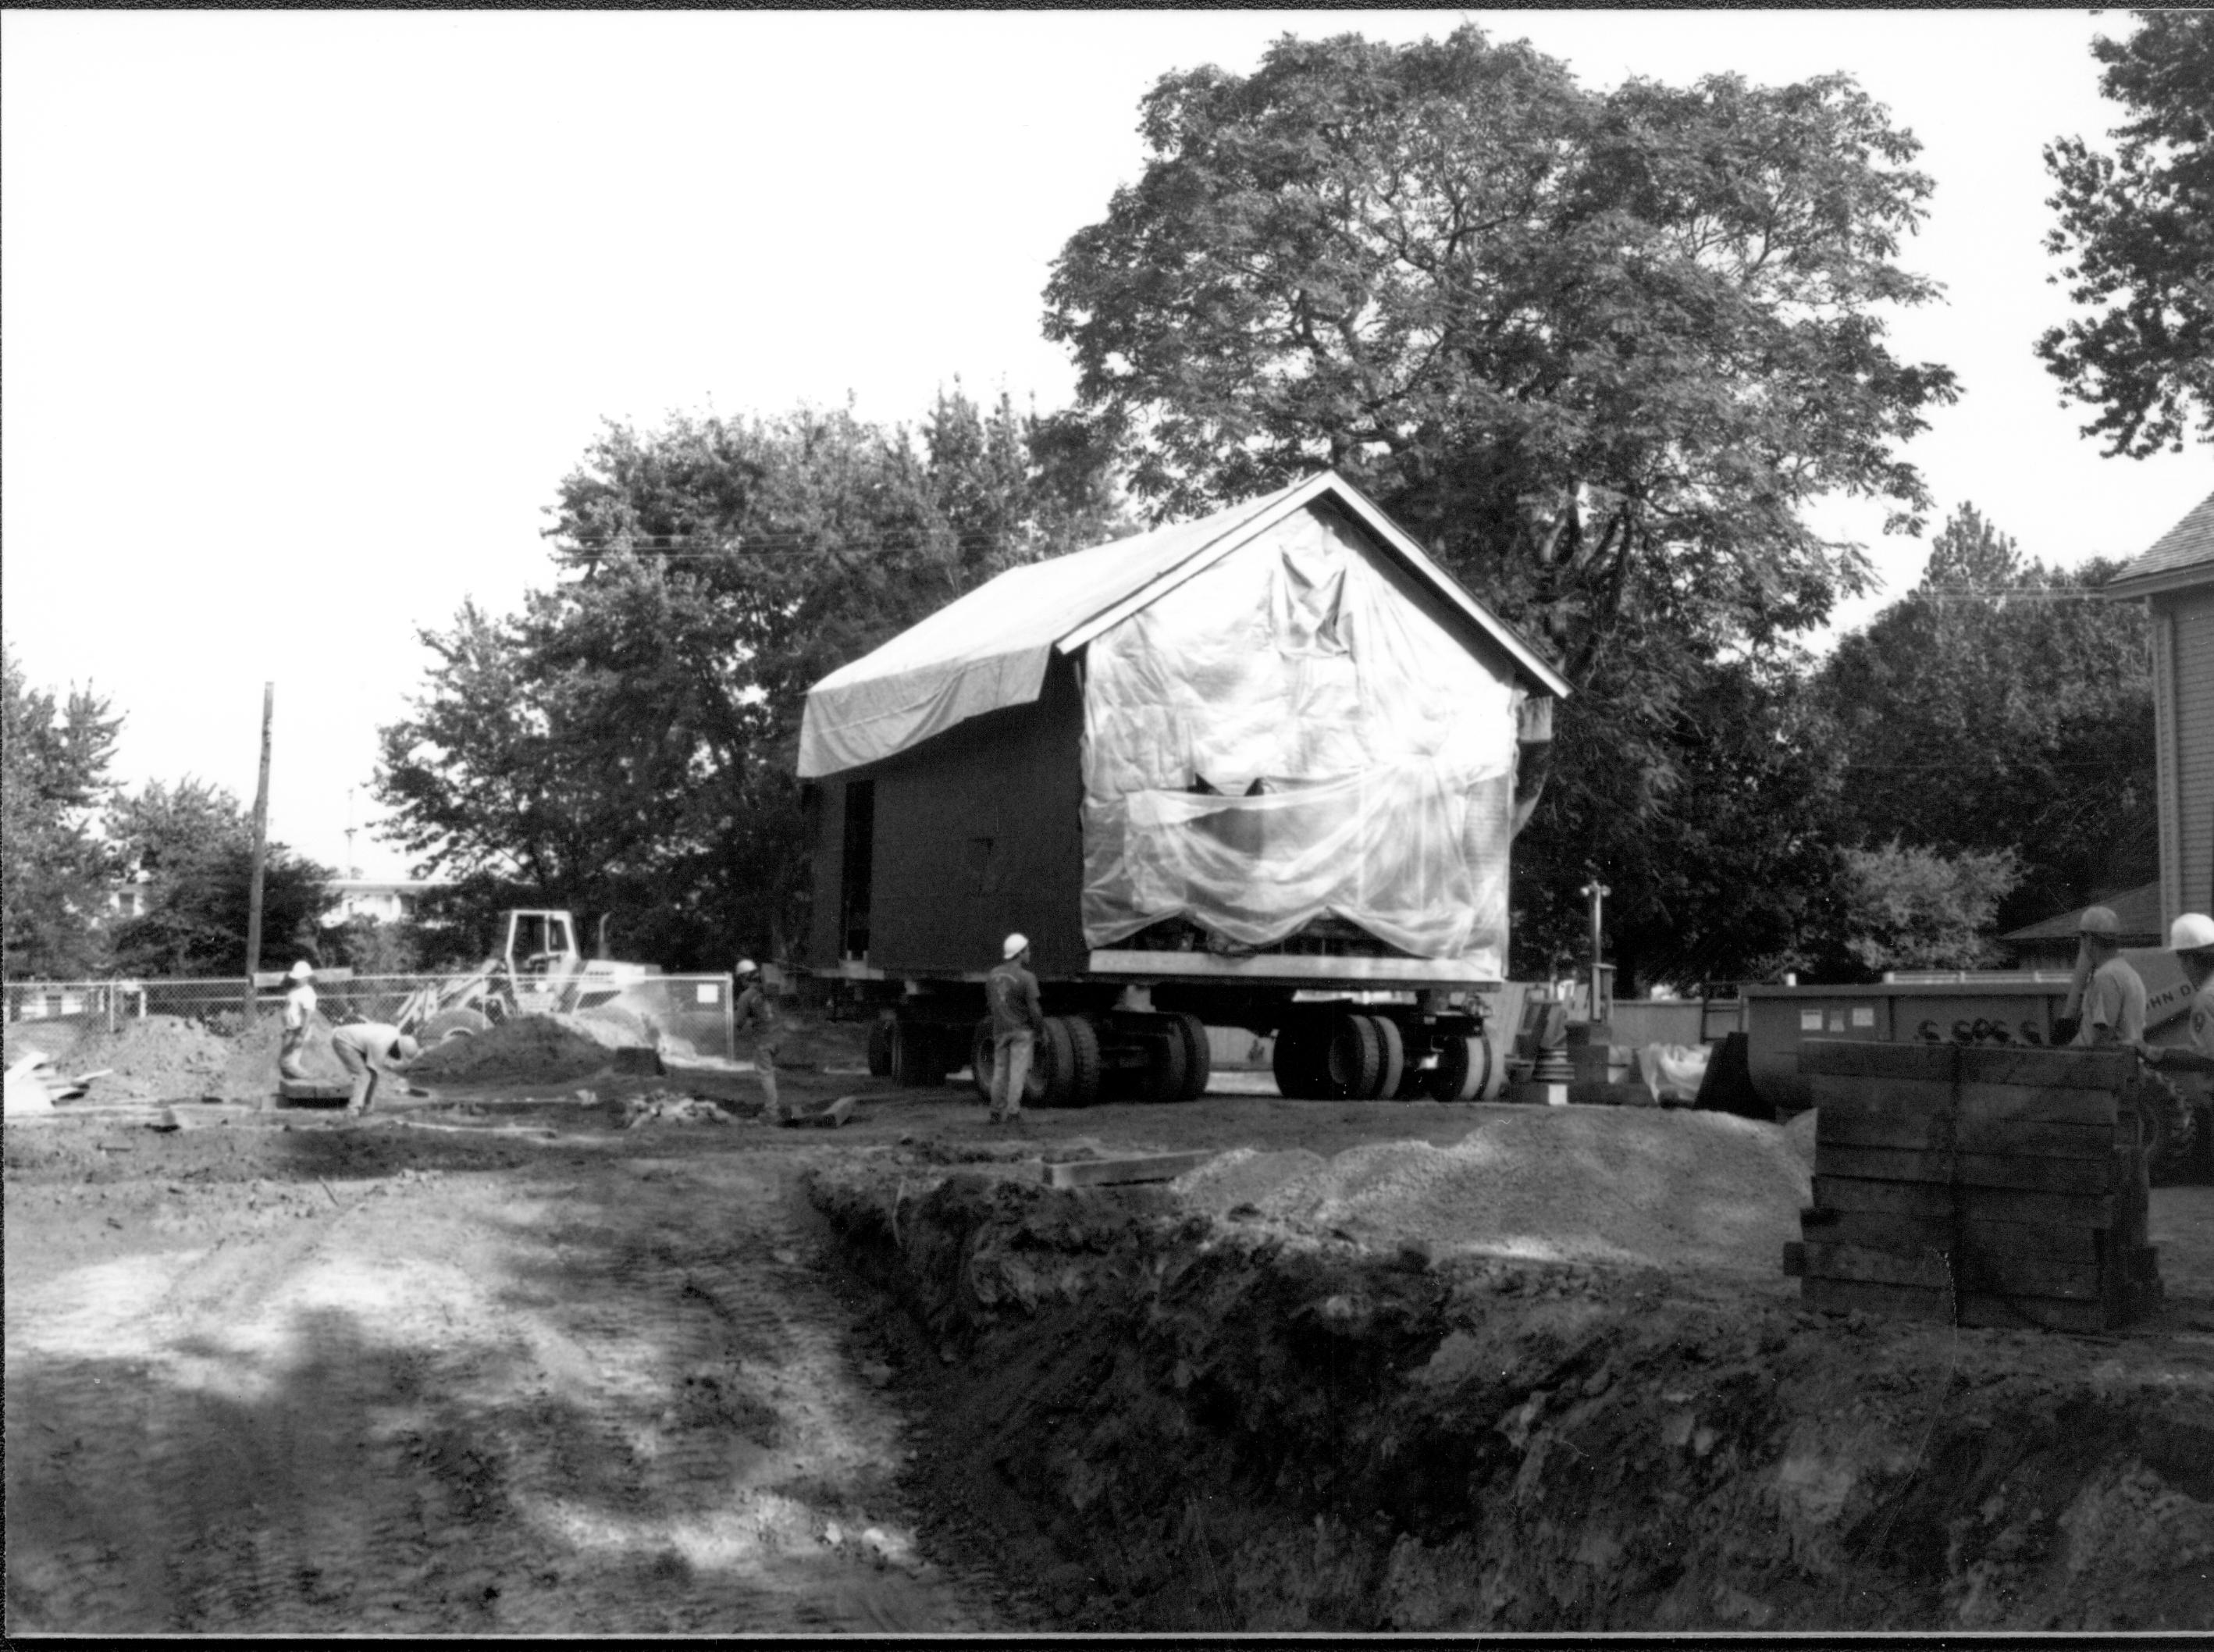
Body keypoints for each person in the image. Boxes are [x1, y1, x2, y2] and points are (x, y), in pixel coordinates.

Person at [2140, 913, 2214, 1076]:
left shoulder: (2206, 998)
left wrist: (2152, 1053)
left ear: (2190, 960)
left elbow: (2206, 1058)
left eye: (2180, 960)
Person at [984, 933, 1046, 1124]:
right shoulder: (1027, 978)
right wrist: (1040, 1031)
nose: (1030, 953)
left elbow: (991, 1003)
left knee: (1000, 1072)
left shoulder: (992, 975)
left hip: (1000, 1030)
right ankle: (1013, 1113)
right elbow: (1034, 1009)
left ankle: (995, 1112)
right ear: (1019, 954)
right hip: (1021, 1031)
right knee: (1018, 1073)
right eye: (1027, 950)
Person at [2067, 906, 2148, 1048]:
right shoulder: (2127, 972)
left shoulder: (2106, 977)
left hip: (2108, 1066)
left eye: (2082, 938)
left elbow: (2102, 1036)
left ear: (2090, 941)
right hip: (2127, 1062)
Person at [329, 1022, 421, 1117]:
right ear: (398, 1049)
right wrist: (398, 1073)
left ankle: (367, 1108)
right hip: (343, 1041)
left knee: (372, 1075)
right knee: (363, 1075)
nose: (398, 1058)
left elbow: (375, 1071)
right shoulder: (380, 1047)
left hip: (352, 1039)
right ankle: (352, 1112)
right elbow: (379, 1067)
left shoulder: (395, 1032)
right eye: (400, 1056)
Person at [734, 960, 787, 1123]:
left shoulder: (747, 995)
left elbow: (739, 1022)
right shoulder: (769, 990)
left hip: (764, 1040)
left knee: (765, 1074)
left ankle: (772, 1111)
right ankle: (773, 1105)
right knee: (769, 1072)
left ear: (743, 978)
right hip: (778, 1037)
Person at [279, 960, 318, 1081]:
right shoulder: (294, 991)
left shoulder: (308, 993)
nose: (297, 980)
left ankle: (311, 1079)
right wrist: (286, 1027)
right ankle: (295, 1084)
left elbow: (308, 1015)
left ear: (306, 978)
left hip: (300, 1030)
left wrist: (301, 1035)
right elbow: (288, 1008)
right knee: (286, 1061)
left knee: (287, 1062)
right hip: (291, 1030)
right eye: (296, 978)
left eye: (300, 978)